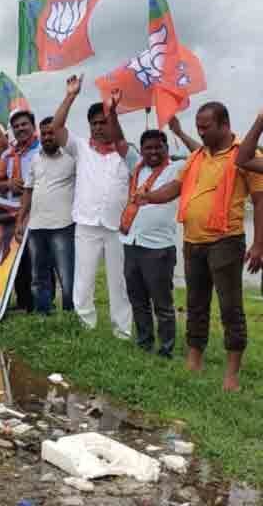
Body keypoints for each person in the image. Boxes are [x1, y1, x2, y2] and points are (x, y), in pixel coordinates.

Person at [141, 102, 263, 391]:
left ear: (224, 125)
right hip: (192, 242)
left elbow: (260, 201)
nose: (201, 131)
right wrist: (150, 196)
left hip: (226, 240)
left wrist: (258, 244)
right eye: (198, 126)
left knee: (230, 307)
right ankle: (194, 360)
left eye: (206, 126)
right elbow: (176, 188)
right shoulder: (196, 156)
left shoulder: (245, 156)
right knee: (195, 305)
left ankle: (231, 375)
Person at [51, 77, 135, 338]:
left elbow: (120, 140)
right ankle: (86, 326)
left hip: (116, 229)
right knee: (83, 280)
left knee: (118, 282)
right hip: (86, 225)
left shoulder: (126, 152)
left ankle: (122, 331)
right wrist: (70, 96)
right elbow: (56, 128)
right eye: (95, 123)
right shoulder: (80, 148)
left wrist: (112, 112)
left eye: (104, 122)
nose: (99, 128)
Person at [119, 129, 182, 357]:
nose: (153, 151)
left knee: (162, 303)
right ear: (142, 150)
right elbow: (118, 139)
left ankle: (166, 350)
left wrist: (179, 130)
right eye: (148, 148)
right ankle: (144, 343)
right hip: (131, 241)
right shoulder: (137, 168)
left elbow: (198, 154)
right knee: (138, 299)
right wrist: (113, 112)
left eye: (158, 147)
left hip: (158, 248)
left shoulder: (177, 168)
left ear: (166, 148)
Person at [15, 116, 76, 315]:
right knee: (38, 277)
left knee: (67, 277)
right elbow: (28, 191)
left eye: (52, 132)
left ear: (60, 133)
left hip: (63, 226)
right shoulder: (35, 159)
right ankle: (44, 315)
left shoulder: (72, 158)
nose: (48, 137)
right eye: (44, 134)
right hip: (36, 227)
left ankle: (70, 316)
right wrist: (20, 221)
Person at [0, 109, 40, 313]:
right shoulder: (7, 155)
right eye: (16, 126)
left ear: (33, 126)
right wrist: (9, 184)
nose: (20, 129)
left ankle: (39, 304)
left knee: (37, 259)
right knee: (18, 260)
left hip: (37, 210)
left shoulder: (41, 151)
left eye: (24, 124)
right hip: (13, 212)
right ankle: (23, 303)